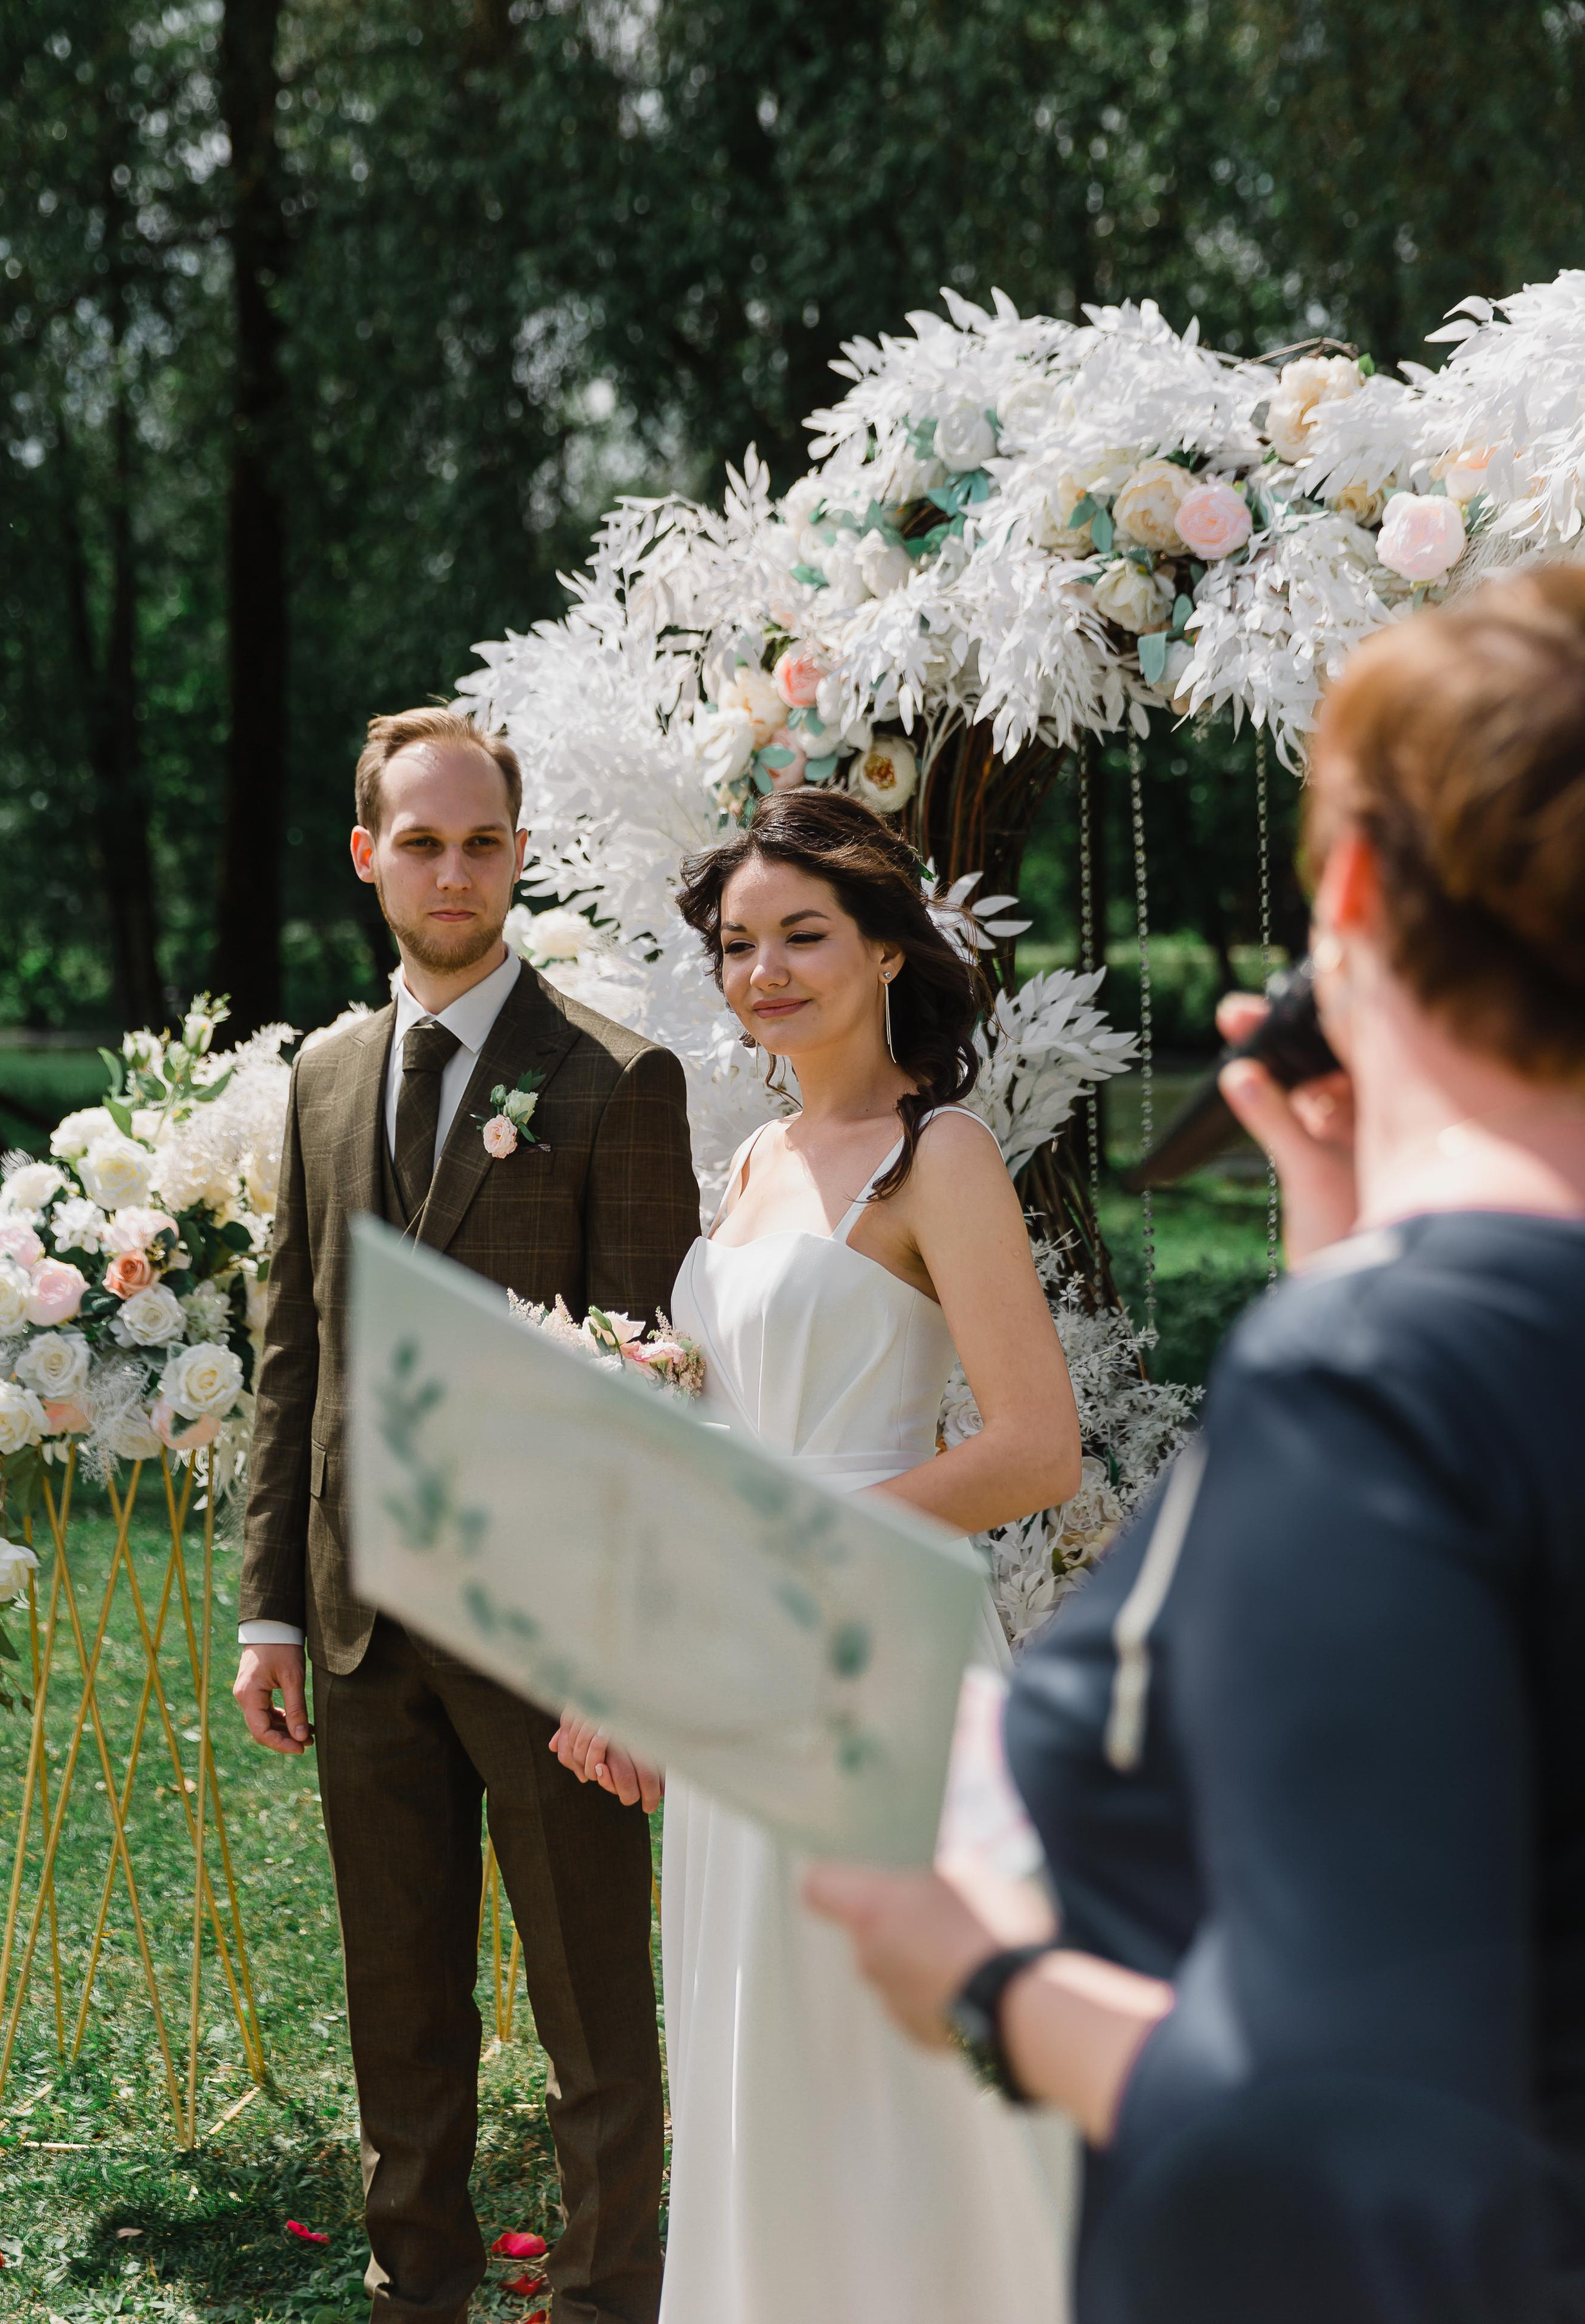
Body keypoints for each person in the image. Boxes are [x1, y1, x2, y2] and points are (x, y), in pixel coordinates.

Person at [805, 564, 1585, 2321]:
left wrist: (992, 1979)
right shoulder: (1423, 1339)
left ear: (1362, 890)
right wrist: (1347, 1224)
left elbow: (1359, 2154)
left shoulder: (1381, 1381)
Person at [559, 788, 1083, 2323]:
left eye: (802, 936)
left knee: (882, 2054)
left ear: (881, 952)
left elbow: (1032, 1447)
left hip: (876, 1660)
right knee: (755, 2034)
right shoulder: (752, 1164)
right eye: (736, 945)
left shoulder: (942, 1156)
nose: (763, 971)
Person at [233, 707, 701, 2324]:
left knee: (592, 2022)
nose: (452, 869)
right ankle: (412, 2290)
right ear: (370, 859)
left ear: (519, 854)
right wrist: (270, 1606)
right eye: (419, 842)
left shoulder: (613, 1081)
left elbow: (655, 1398)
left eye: (481, 841)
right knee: (399, 2009)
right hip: (360, 1625)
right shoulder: (322, 1076)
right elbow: (293, 1348)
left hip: (547, 1636)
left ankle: (600, 2304)